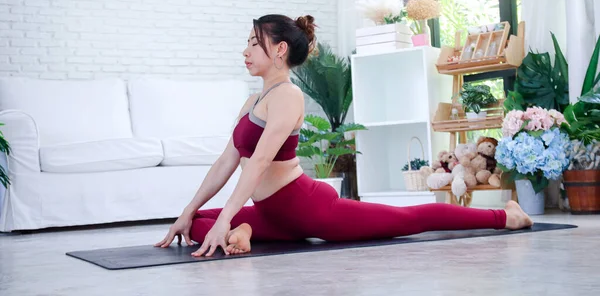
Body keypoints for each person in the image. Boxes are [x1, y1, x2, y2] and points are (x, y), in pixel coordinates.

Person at [155, 14, 533, 257]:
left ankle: (505, 216)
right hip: (274, 212)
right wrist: (187, 212)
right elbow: (227, 162)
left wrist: (228, 218)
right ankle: (246, 227)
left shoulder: (287, 97)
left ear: (280, 50)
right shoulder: (253, 100)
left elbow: (257, 166)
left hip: (310, 209)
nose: (246, 51)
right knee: (197, 224)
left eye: (254, 43)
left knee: (406, 221)